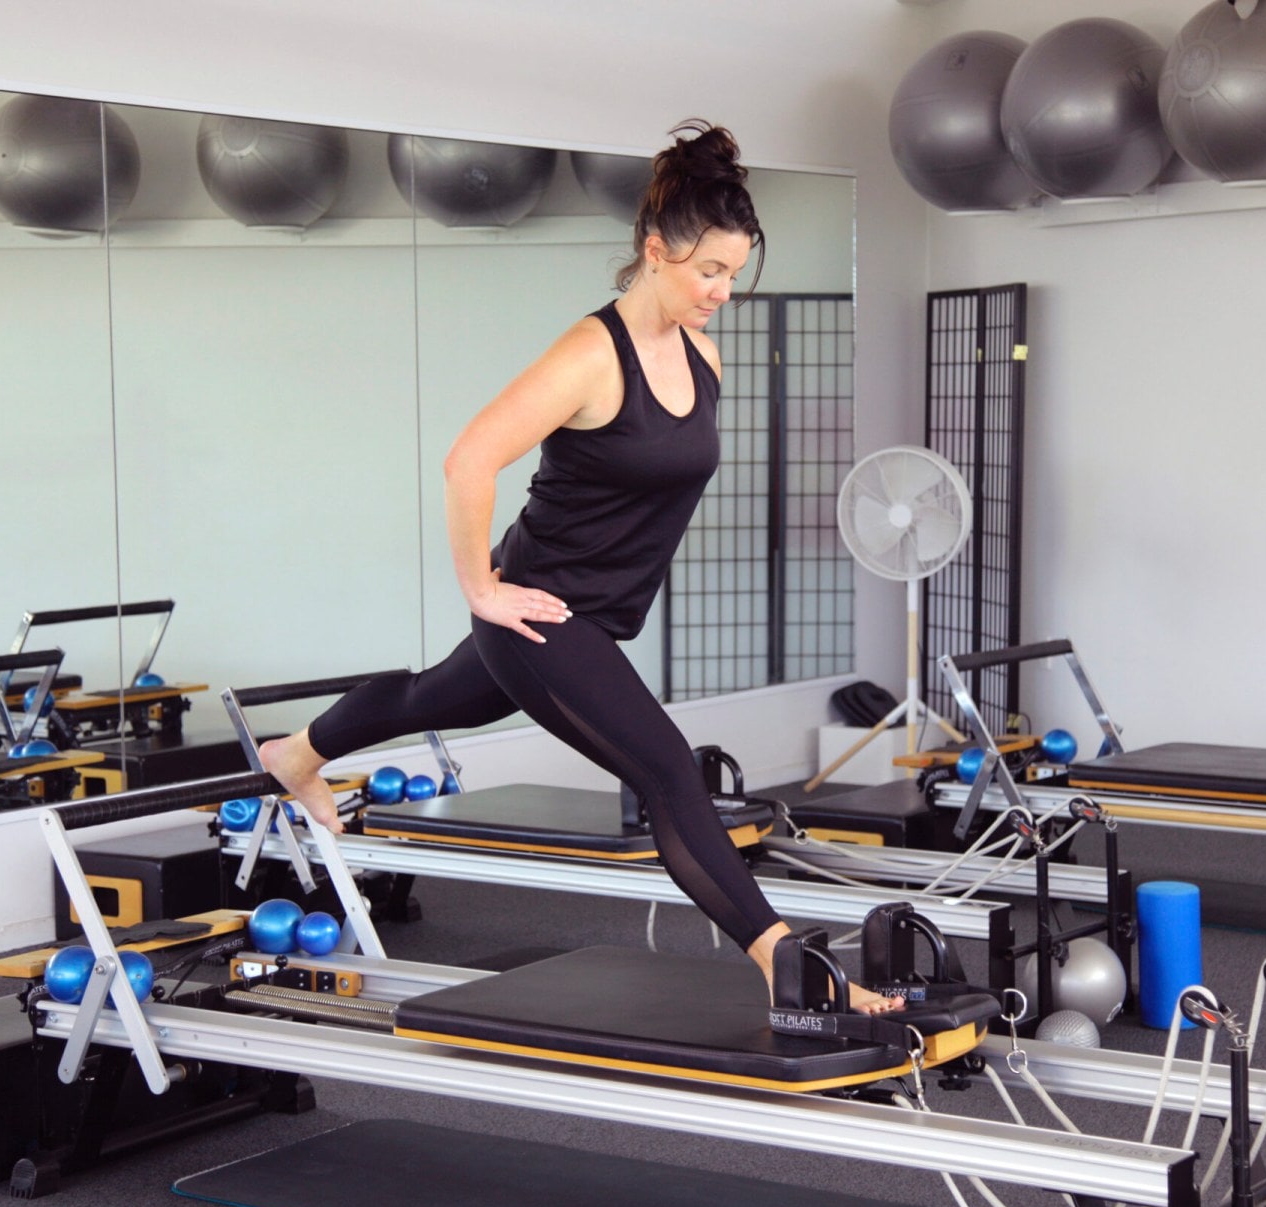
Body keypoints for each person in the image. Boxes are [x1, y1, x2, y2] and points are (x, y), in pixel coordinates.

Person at [260, 121, 899, 1017]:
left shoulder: (702, 354)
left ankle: (299, 751)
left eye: (734, 273)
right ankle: (782, 962)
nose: (723, 291)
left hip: (593, 614)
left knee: (426, 700)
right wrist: (482, 588)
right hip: (543, 616)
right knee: (670, 773)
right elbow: (468, 461)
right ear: (654, 250)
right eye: (707, 270)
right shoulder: (590, 356)